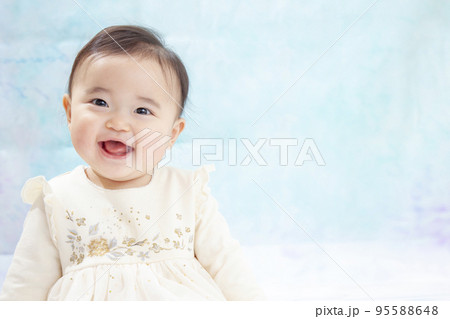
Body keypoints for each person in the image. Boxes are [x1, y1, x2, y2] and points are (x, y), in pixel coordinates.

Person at [0, 25, 266, 301]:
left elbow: (229, 268)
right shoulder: (57, 199)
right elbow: (24, 288)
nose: (118, 123)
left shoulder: (187, 192)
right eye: (99, 102)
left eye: (142, 110)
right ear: (69, 112)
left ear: (172, 134)